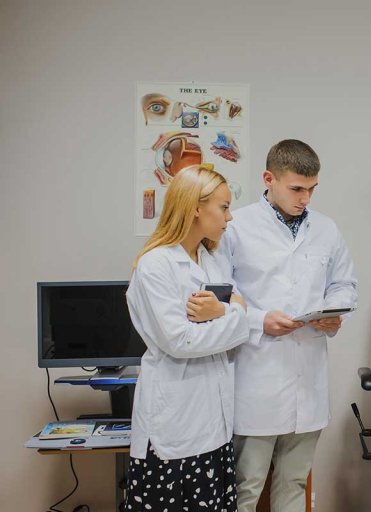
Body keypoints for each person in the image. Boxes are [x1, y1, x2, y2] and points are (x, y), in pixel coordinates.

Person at [220, 139, 358, 511]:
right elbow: (221, 293)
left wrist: (333, 313)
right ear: (269, 179)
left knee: (294, 483)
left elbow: (344, 283)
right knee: (246, 487)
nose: (305, 198)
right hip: (256, 376)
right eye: (297, 189)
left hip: (308, 380)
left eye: (312, 189)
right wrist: (258, 319)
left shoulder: (326, 229)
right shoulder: (237, 227)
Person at [126, 164, 250, 511]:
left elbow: (238, 318)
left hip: (215, 425)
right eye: (224, 207)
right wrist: (235, 315)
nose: (230, 217)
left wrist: (223, 312)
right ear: (196, 207)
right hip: (174, 428)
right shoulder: (155, 265)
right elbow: (181, 341)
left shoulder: (211, 261)